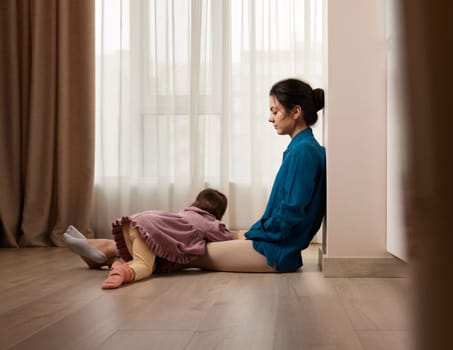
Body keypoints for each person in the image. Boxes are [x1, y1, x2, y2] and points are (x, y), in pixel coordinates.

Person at [65, 77, 326, 276]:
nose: (270, 118)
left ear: (296, 111)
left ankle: (106, 250)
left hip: (277, 251)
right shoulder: (303, 148)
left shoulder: (303, 152)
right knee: (187, 242)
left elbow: (291, 213)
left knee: (186, 250)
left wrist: (253, 232)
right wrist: (252, 231)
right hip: (276, 243)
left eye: (275, 111)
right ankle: (105, 250)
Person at [65, 188, 233, 289]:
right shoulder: (211, 223)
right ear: (219, 212)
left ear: (195, 202)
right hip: (147, 230)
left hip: (135, 222)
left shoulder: (185, 213)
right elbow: (226, 239)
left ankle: (96, 256)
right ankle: (124, 271)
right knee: (144, 265)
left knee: (133, 255)